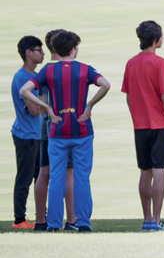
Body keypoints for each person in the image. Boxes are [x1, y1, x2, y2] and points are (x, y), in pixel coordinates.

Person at [19, 31, 111, 232]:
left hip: (57, 132)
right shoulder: (85, 69)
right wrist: (89, 106)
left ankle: (53, 224)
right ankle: (83, 223)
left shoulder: (48, 71)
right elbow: (106, 85)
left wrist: (50, 109)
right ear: (73, 49)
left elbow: (24, 90)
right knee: (81, 177)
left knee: (57, 177)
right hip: (82, 130)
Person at [121, 20, 164, 231]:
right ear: (155, 41)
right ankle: (156, 220)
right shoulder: (159, 63)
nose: (163, 39)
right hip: (160, 125)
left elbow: (128, 97)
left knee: (144, 171)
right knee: (159, 172)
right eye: (161, 36)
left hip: (141, 126)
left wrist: (137, 116)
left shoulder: (131, 63)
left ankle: (147, 219)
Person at [32, 30, 76, 230]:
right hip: (64, 127)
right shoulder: (65, 69)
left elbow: (41, 105)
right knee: (68, 172)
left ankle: (41, 220)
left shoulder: (44, 71)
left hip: (46, 127)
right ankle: (72, 219)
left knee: (44, 173)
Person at [11, 35, 44, 229]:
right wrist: (44, 102)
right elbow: (33, 110)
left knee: (40, 177)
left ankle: (41, 217)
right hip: (27, 135)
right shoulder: (23, 78)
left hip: (33, 134)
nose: (42, 54)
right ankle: (19, 219)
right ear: (28, 53)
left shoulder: (30, 77)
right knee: (25, 177)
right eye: (39, 50)